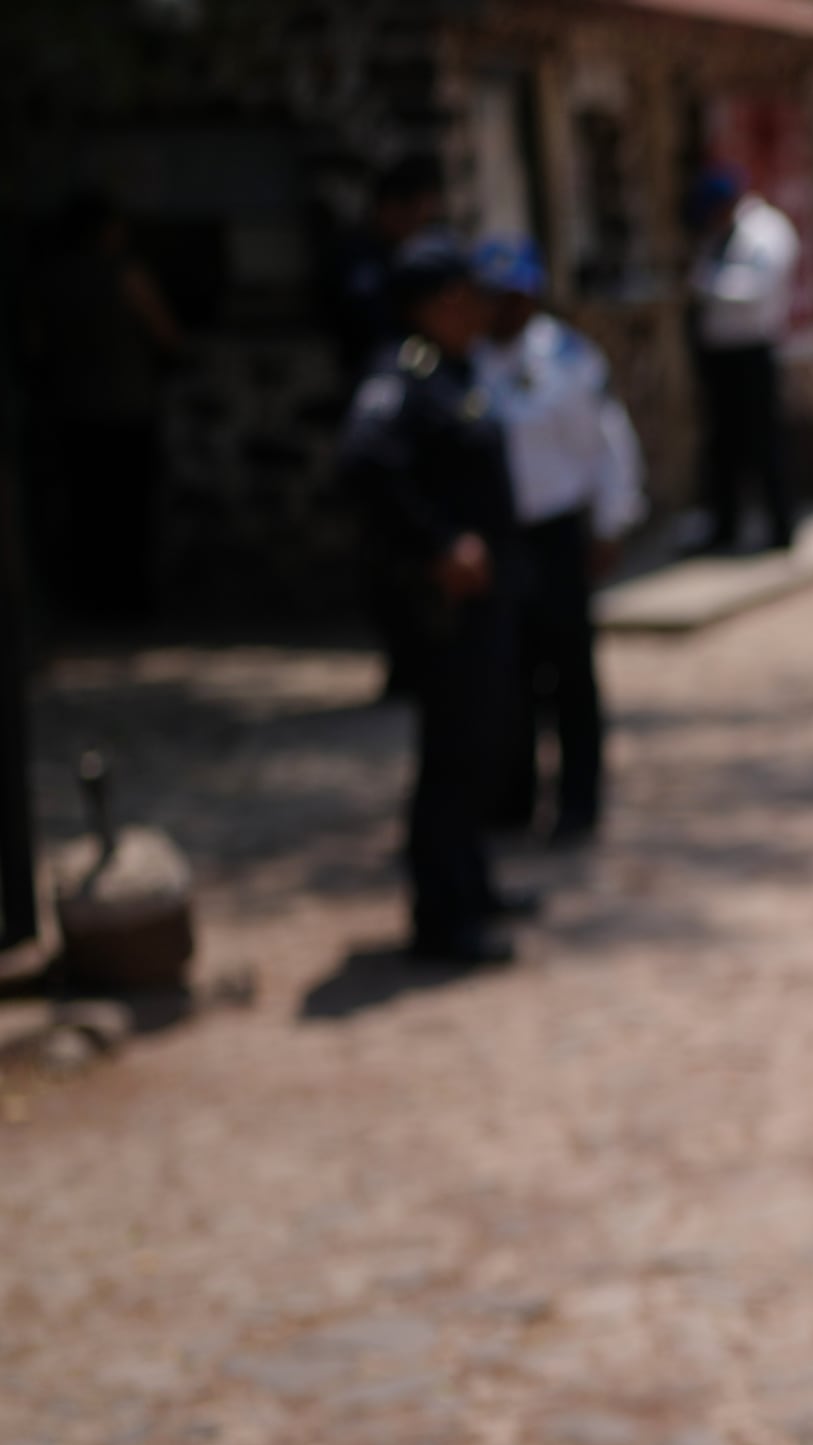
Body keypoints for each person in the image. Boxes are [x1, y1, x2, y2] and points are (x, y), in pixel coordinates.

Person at [338, 235, 527, 965]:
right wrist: (439, 543)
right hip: (445, 607)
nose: (479, 308)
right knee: (450, 756)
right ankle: (441, 918)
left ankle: (471, 886)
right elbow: (364, 464)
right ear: (438, 303)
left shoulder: (455, 368)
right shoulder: (402, 374)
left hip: (485, 600)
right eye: (467, 296)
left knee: (480, 748)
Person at [471, 237, 642, 844]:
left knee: (570, 676)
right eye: (492, 297)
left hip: (556, 534)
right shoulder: (466, 361)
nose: (502, 309)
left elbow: (607, 444)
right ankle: (511, 798)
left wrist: (610, 520)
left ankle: (578, 802)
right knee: (506, 674)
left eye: (513, 297)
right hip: (497, 539)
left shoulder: (567, 359)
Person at [36, 191, 185, 624]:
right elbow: (167, 335)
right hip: (125, 406)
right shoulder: (125, 273)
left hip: (71, 407)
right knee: (129, 510)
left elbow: (34, 343)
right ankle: (129, 602)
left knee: (87, 508)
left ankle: (91, 599)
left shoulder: (49, 277)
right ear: (105, 231)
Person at [686, 166, 800, 553]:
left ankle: (781, 529)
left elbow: (756, 289)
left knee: (764, 443)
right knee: (723, 446)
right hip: (719, 353)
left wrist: (706, 285)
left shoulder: (766, 230)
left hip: (753, 350)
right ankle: (725, 528)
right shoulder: (716, 234)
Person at [331, 155, 448, 376]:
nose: (420, 229)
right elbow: (370, 325)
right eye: (417, 216)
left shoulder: (403, 256)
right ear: (392, 207)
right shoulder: (357, 256)